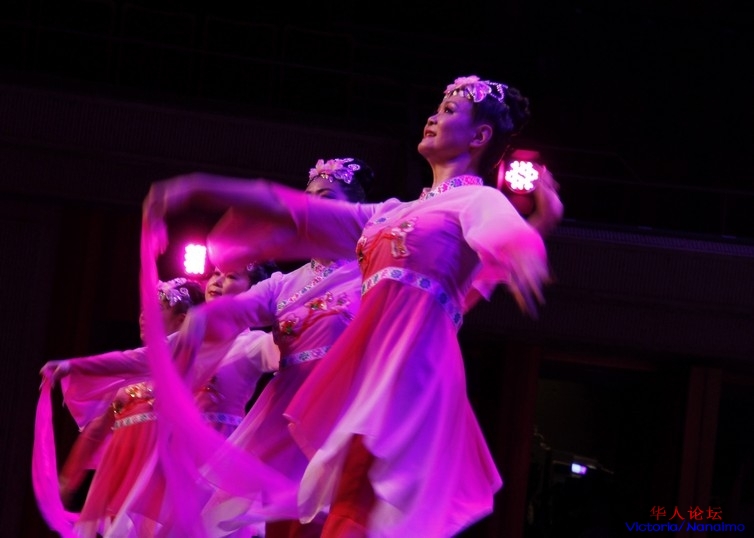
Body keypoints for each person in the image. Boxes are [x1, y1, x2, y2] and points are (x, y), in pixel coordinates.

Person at [142, 73, 552, 537]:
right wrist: (199, 187)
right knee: (344, 512)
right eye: (437, 108)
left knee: (354, 509)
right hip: (368, 375)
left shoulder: (476, 199)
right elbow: (293, 209)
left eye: (449, 110)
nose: (433, 117)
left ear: (479, 136)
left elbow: (501, 229)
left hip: (413, 366)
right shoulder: (388, 213)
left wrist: (523, 246)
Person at [172, 157, 378, 538]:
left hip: (342, 416)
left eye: (326, 197)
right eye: (308, 197)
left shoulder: (370, 275)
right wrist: (193, 326)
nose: (312, 206)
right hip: (285, 418)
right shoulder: (283, 284)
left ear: (352, 210)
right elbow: (230, 312)